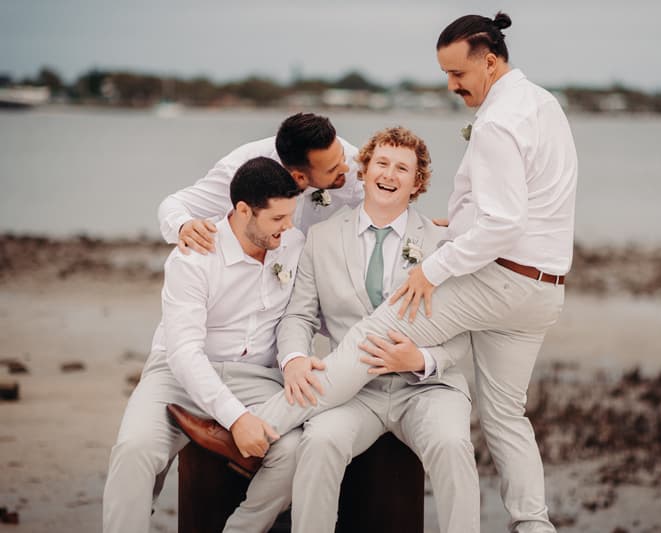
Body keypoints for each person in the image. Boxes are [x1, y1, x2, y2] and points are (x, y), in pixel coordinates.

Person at [174, 11, 576, 533]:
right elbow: (528, 204)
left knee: (370, 336)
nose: (451, 85)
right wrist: (460, 227)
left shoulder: (497, 122)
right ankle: (534, 524)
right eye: (446, 74)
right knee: (505, 416)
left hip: (500, 276)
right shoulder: (545, 105)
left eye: (457, 73)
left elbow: (503, 222)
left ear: (491, 63)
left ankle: (253, 429)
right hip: (544, 287)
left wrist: (435, 267)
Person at [273, 127, 478, 532]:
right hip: (353, 393)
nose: (389, 174)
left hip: (426, 388)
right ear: (363, 171)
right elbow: (298, 316)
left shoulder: (443, 244)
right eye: (381, 163)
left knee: (453, 445)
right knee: (319, 442)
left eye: (403, 168)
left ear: (417, 183)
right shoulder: (321, 238)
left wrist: (421, 358)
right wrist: (294, 360)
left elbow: (464, 331)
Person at [103, 157, 307, 533]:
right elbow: (184, 353)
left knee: (295, 451)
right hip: (178, 375)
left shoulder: (292, 244)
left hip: (257, 376)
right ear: (243, 211)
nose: (288, 226)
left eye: (290, 216)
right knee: (134, 450)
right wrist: (237, 418)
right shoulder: (193, 257)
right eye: (277, 218)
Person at [158, 112, 362, 253]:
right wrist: (183, 225)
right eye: (332, 170)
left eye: (342, 157)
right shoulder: (238, 170)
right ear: (299, 177)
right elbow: (175, 204)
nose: (345, 168)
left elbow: (380, 211)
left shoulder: (342, 158)